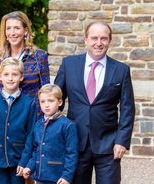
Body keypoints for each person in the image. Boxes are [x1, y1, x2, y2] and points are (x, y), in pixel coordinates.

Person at [54, 21, 135, 184]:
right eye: (94, 38)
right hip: (75, 142)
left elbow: (127, 108)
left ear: (110, 41)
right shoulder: (68, 65)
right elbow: (56, 100)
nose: (99, 43)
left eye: (104, 38)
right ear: (85, 40)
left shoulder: (121, 70)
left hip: (109, 145)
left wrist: (122, 141)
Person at [0, 57, 36, 184]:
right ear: (0, 77)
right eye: (6, 74)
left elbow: (31, 135)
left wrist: (25, 160)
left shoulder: (29, 103)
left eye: (14, 74)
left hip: (19, 160)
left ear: (21, 77)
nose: (10, 78)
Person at [0, 11, 50, 118]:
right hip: (5, 118)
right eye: (8, 28)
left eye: (16, 28)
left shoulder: (39, 56)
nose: (12, 32)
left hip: (32, 118)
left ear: (25, 31)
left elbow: (46, 92)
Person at [22, 84, 78, 184]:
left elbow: (72, 154)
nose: (46, 105)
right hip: (40, 177)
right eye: (42, 101)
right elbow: (36, 149)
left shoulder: (68, 125)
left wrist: (66, 176)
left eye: (51, 101)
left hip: (58, 178)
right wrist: (29, 167)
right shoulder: (38, 124)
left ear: (60, 102)